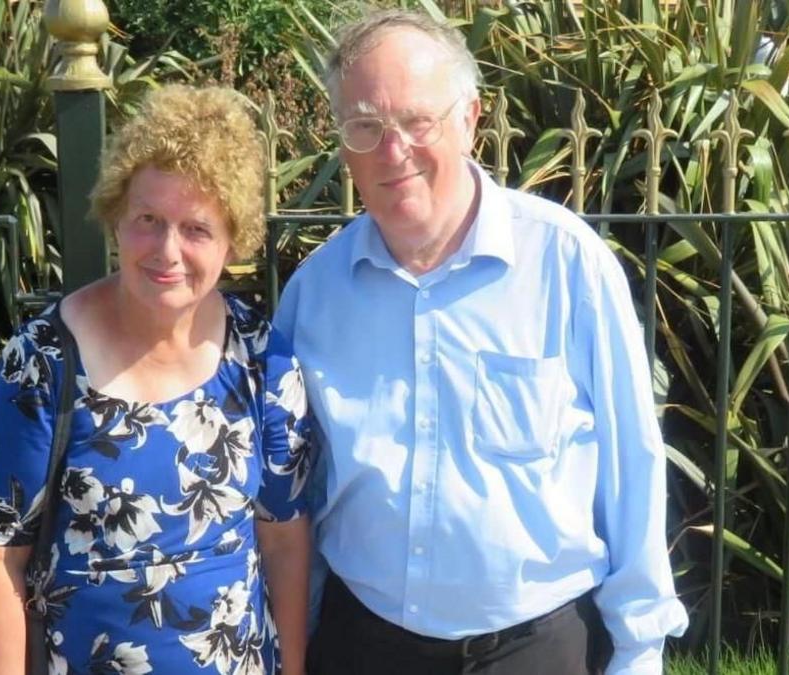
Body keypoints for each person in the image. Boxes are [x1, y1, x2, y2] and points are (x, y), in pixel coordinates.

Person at [273, 9, 688, 675]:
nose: (393, 150)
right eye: (365, 127)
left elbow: (631, 463)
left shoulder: (565, 263)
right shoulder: (315, 294)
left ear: (470, 119)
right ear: (341, 142)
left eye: (417, 121)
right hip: (365, 645)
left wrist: (639, 650)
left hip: (536, 649)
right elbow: (299, 489)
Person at [0, 84, 313, 675]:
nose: (167, 251)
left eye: (197, 229)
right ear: (116, 219)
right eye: (148, 220)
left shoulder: (263, 357)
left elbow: (284, 539)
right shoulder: (45, 359)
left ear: (234, 239)